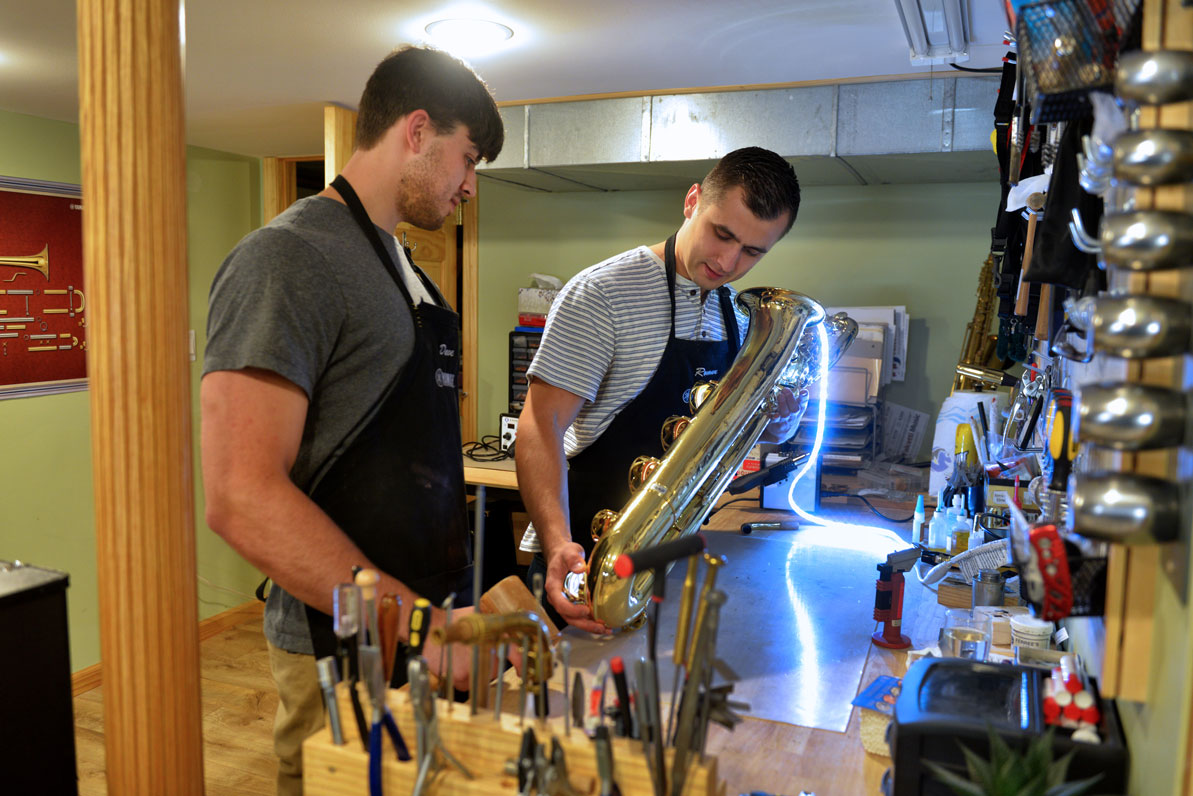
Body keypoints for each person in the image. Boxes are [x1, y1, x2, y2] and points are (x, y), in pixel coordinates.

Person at [200, 45, 502, 795]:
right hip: (340, 648)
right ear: (417, 128)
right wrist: (418, 626)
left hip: (418, 629)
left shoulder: (406, 270)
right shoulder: (287, 258)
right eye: (467, 159)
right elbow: (240, 494)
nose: (469, 185)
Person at [515, 147, 807, 633]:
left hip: (671, 556)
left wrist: (777, 420)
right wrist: (556, 543)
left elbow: (739, 439)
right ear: (692, 201)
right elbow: (538, 425)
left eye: (753, 251)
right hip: (585, 556)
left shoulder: (740, 317)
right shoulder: (603, 294)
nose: (729, 262)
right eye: (723, 233)